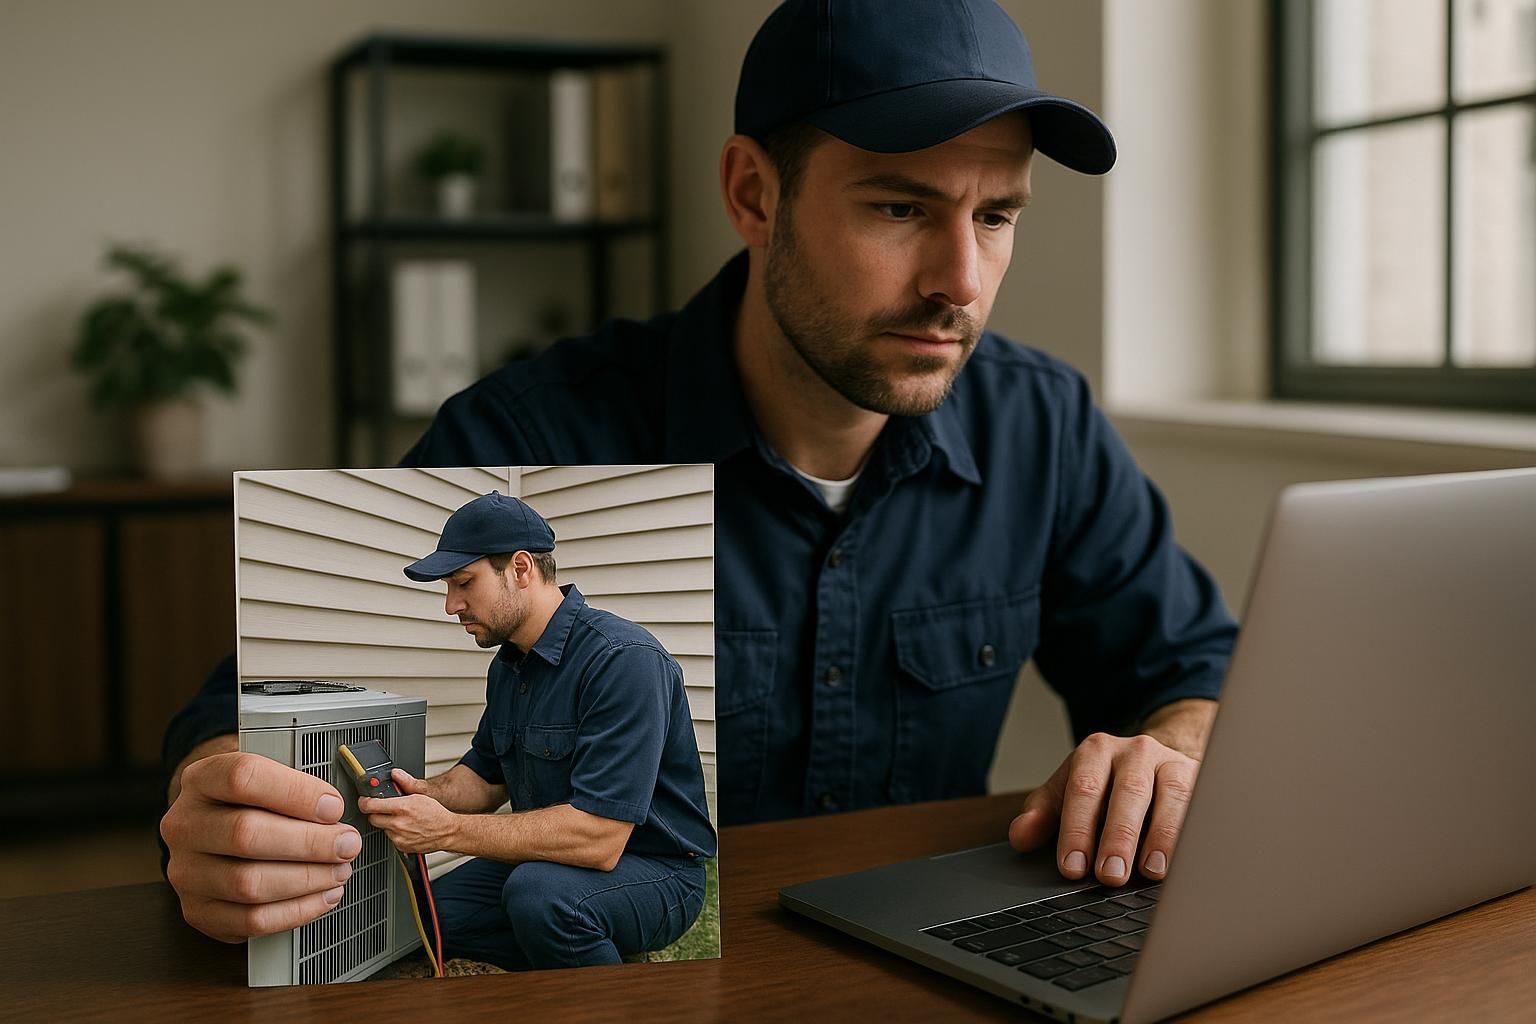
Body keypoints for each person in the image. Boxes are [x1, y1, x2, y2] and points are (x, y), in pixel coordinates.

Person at [159, 0, 1237, 945]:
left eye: (995, 215)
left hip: (926, 969)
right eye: (900, 208)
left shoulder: (1043, 425)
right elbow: (240, 716)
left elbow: (1193, 668)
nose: (961, 279)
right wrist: (224, 801)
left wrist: (1174, 752)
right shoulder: (529, 436)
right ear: (754, 194)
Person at [356, 491, 714, 967]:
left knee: (541, 897)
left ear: (521, 569)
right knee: (423, 912)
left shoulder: (623, 661)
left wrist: (447, 832)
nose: (450, 605)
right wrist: (422, 792)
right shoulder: (508, 668)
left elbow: (600, 839)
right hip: (551, 862)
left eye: (463, 582)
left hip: (654, 868)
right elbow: (483, 780)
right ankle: (572, 953)